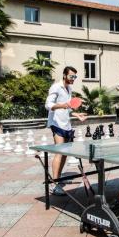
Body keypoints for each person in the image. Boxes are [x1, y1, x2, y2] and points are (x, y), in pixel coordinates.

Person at [45, 66, 86, 196]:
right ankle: (53, 184)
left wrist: (77, 115)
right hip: (56, 123)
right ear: (64, 75)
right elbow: (48, 105)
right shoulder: (56, 87)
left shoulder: (69, 88)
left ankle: (58, 178)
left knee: (64, 153)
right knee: (60, 151)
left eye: (75, 77)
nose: (73, 79)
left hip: (65, 123)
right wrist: (63, 105)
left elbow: (68, 109)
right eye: (71, 76)